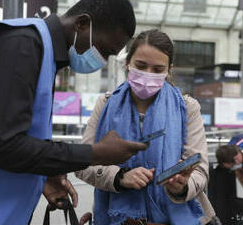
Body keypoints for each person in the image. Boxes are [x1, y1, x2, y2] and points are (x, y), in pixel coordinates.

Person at [0, 0, 149, 225]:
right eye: (104, 50)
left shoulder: (44, 55)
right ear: (82, 23)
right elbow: (0, 146)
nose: (103, 61)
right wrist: (96, 153)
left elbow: (13, 135)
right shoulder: (23, 44)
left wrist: (43, 173)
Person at [76, 29, 215, 225]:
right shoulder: (105, 104)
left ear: (169, 69)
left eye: (158, 69)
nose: (148, 75)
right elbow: (83, 163)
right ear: (128, 63)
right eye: (141, 66)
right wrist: (120, 177)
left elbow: (200, 170)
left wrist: (181, 186)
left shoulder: (187, 108)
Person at [208, 145, 243, 224]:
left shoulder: (214, 172)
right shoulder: (227, 175)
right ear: (225, 163)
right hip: (225, 216)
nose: (237, 162)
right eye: (235, 160)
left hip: (217, 214)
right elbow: (230, 198)